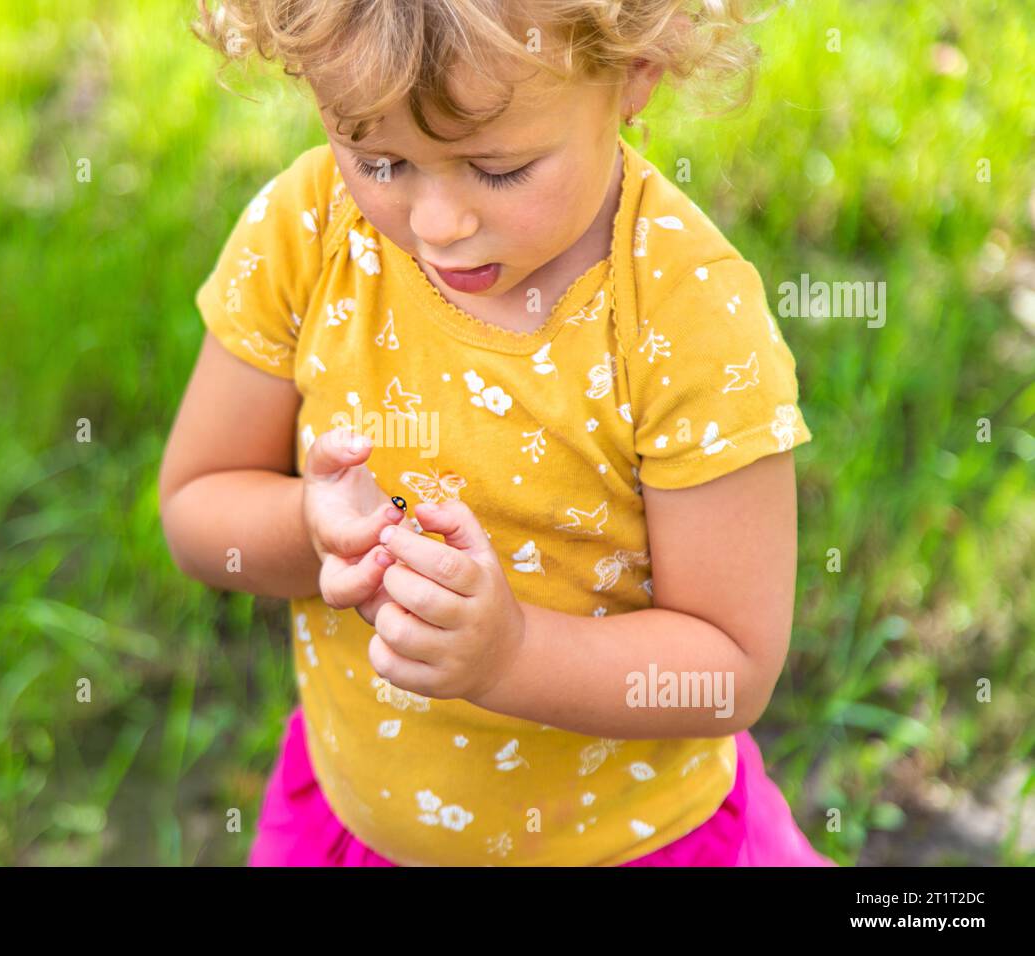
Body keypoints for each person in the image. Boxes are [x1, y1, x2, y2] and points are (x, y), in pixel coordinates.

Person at [162, 0, 835, 866]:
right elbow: (194, 508)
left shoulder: (687, 318)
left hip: (623, 847)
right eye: (379, 160)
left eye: (500, 169)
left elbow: (729, 667)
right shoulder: (312, 230)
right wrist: (311, 533)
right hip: (359, 826)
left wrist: (511, 657)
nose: (438, 224)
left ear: (632, 73)